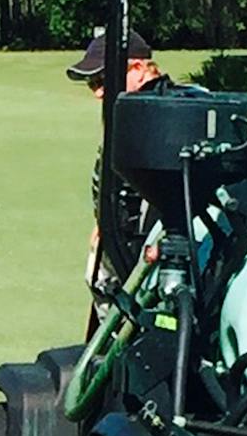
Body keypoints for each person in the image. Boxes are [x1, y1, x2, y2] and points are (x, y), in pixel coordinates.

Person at [66, 26, 174, 329]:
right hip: (121, 243)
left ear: (138, 69)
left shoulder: (164, 117)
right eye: (93, 84)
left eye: (103, 80)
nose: (98, 91)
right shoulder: (129, 115)